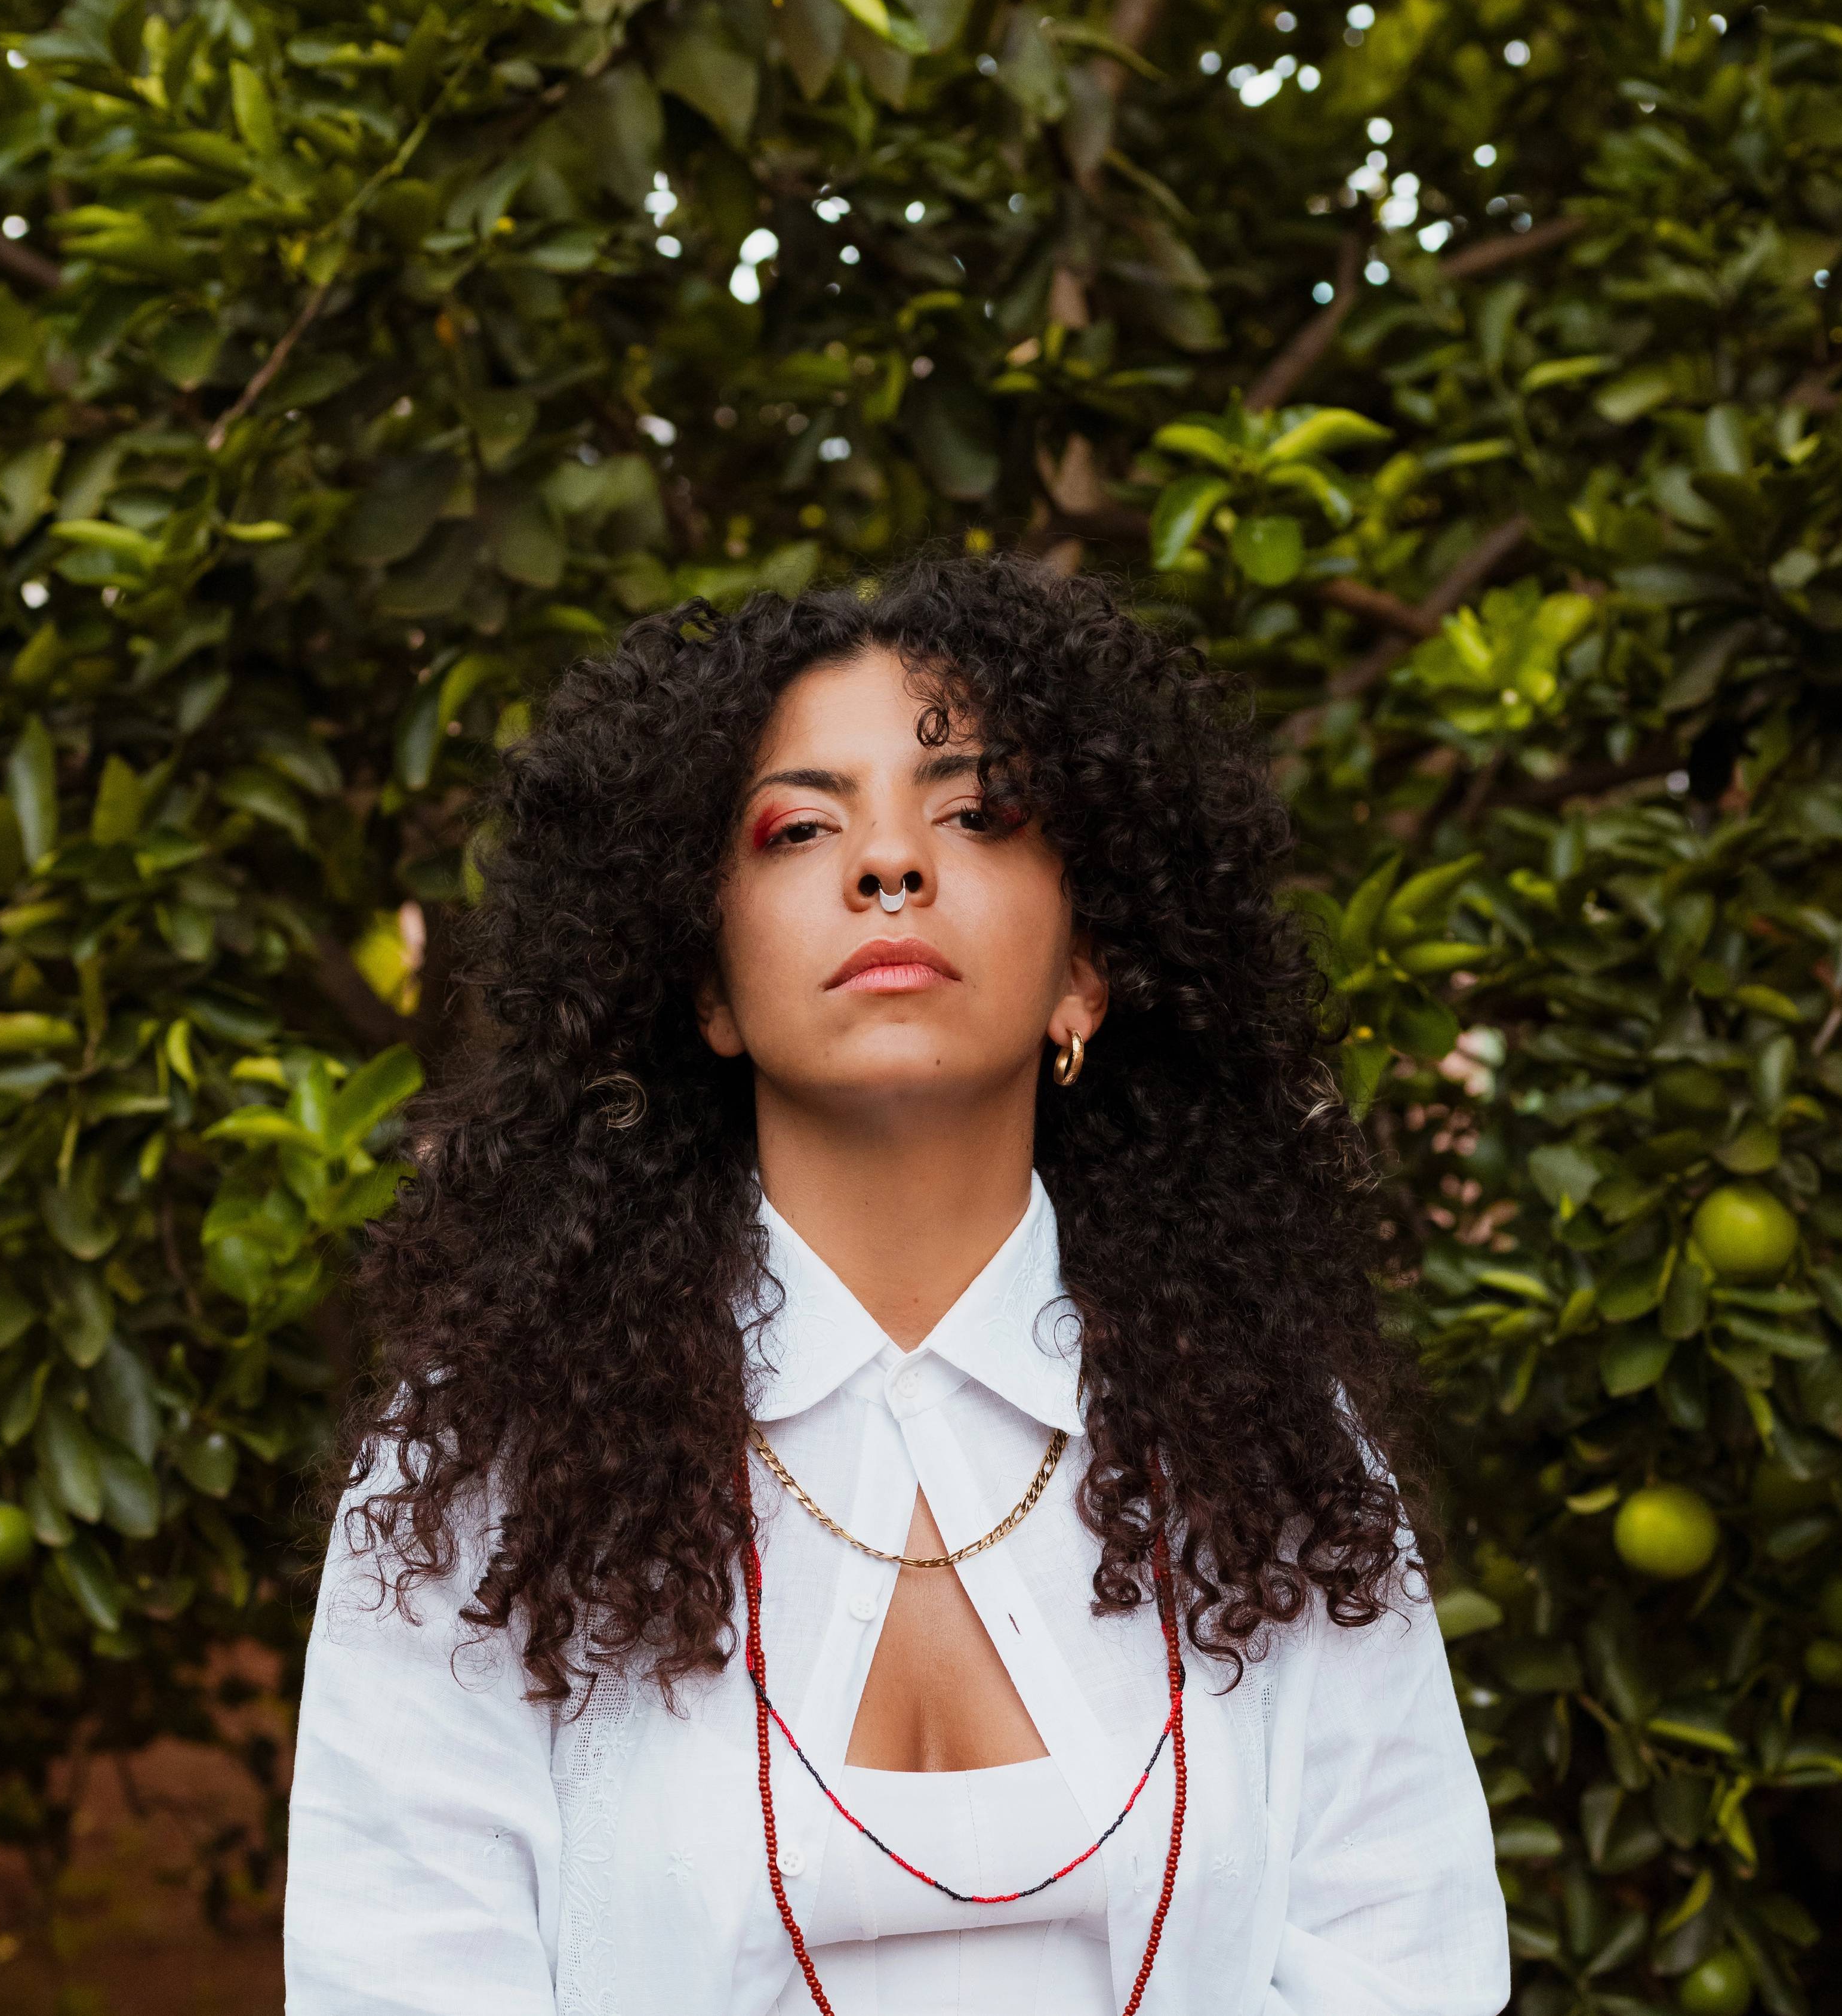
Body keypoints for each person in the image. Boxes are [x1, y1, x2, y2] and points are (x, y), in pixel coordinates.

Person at [282, 555, 1507, 2016]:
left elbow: (1406, 1964)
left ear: (1084, 981)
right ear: (709, 990)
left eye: (975, 814)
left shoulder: (1269, 1445)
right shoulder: (485, 1470)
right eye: (801, 826)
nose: (889, 863)